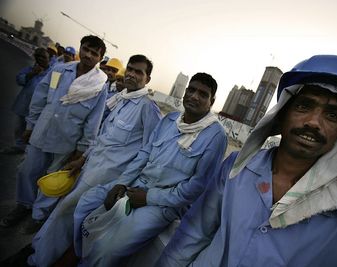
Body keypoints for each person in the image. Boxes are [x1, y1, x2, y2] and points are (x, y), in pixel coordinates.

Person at [157, 55, 337, 267]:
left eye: (332, 115)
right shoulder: (237, 168)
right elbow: (194, 233)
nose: (314, 122)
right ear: (282, 114)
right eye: (304, 106)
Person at [70, 72, 227, 266]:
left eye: (203, 94)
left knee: (109, 249)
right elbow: (144, 154)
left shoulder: (216, 136)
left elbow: (196, 187)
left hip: (162, 204)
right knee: (85, 203)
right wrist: (121, 183)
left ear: (211, 101)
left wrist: (148, 197)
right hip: (134, 185)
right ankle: (80, 255)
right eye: (191, 90)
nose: (194, 96)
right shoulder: (170, 120)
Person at [26, 54, 162, 267]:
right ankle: (41, 251)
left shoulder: (147, 108)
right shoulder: (121, 100)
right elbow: (103, 137)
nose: (133, 75)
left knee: (67, 214)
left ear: (148, 79)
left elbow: (149, 152)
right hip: (91, 168)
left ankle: (39, 259)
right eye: (131, 69)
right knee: (65, 211)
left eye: (139, 72)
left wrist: (124, 185)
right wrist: (82, 160)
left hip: (107, 176)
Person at [0, 35, 108, 234]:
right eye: (86, 49)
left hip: (67, 142)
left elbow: (94, 120)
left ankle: (38, 215)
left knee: (53, 180)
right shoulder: (59, 70)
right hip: (42, 132)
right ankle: (23, 205)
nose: (88, 55)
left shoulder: (100, 85)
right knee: (27, 171)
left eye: (95, 53)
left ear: (99, 58)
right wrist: (30, 127)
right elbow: (40, 98)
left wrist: (81, 150)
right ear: (80, 48)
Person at [0, 48, 50, 154]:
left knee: (33, 129)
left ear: (48, 59)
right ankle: (19, 146)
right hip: (25, 104)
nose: (41, 59)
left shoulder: (52, 73)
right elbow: (19, 80)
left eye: (44, 57)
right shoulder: (30, 69)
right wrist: (32, 73)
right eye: (39, 57)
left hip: (38, 108)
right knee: (20, 127)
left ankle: (28, 149)